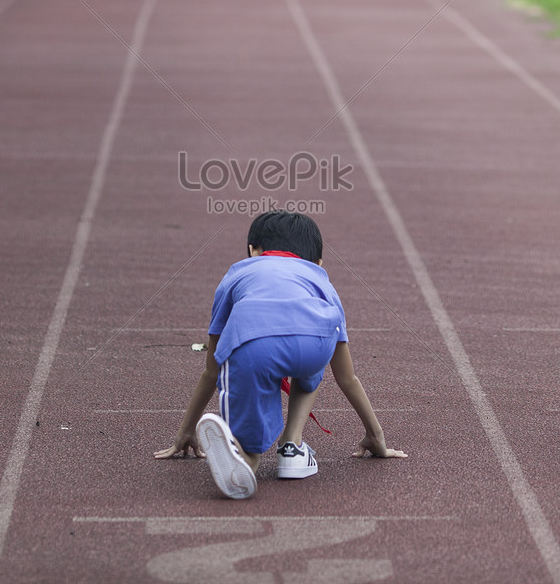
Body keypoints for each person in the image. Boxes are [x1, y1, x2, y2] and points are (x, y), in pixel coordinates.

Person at [155, 210, 405, 499]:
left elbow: (212, 369)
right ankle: (291, 444)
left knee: (245, 387)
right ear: (318, 262)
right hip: (314, 345)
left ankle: (245, 459)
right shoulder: (322, 282)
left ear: (253, 251)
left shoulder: (238, 272)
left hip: (254, 342)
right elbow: (347, 377)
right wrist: (376, 436)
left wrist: (186, 430)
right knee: (312, 357)